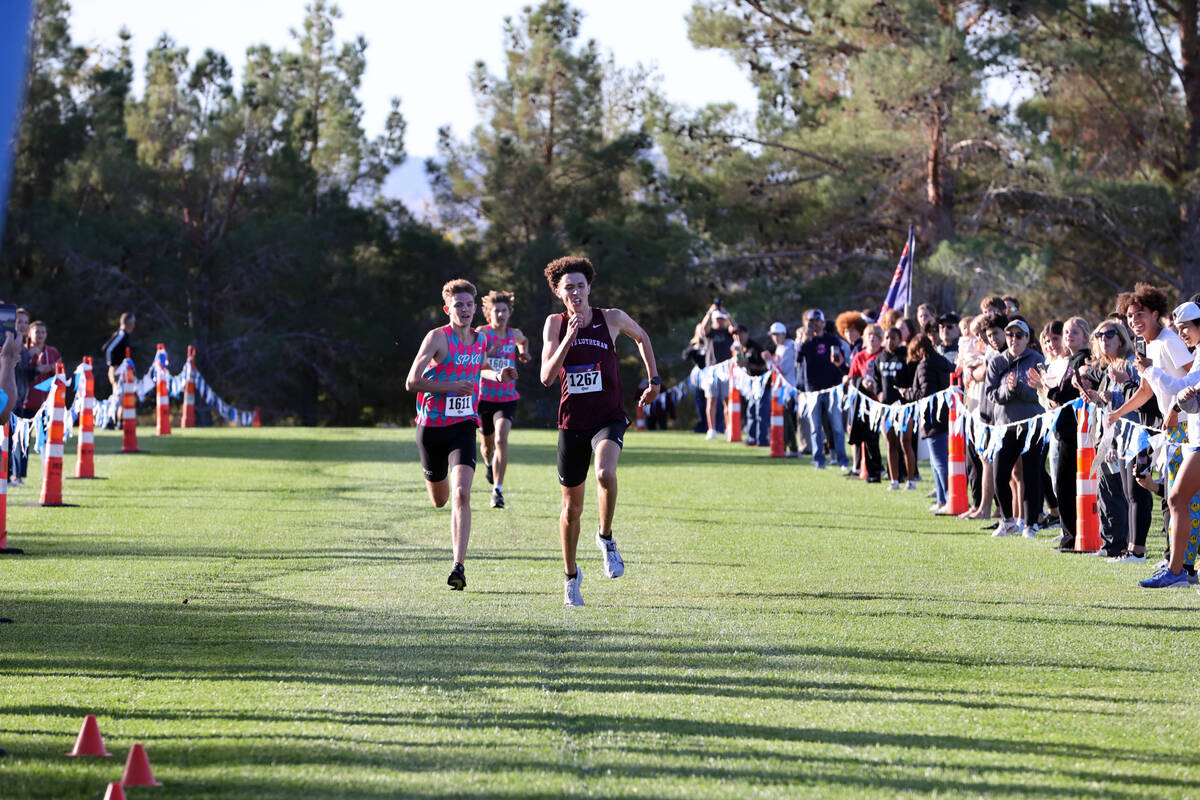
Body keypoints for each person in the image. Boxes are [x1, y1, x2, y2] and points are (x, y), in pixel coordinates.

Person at [539, 256, 659, 607]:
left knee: (606, 472)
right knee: (571, 509)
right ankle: (571, 576)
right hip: (572, 423)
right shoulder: (554, 324)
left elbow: (642, 337)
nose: (575, 291)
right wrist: (569, 336)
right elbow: (546, 377)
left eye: (580, 285)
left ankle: (606, 537)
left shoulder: (612, 318)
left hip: (608, 417)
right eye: (568, 287)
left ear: (589, 287)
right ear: (559, 293)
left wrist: (654, 381)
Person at [405, 279, 513, 591]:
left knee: (463, 493)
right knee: (440, 500)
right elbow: (412, 382)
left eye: (469, 305)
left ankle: (459, 566)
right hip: (431, 429)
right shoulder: (436, 338)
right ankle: (436, 486)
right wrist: (452, 387)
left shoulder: (480, 340)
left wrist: (496, 373)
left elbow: (475, 370)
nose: (464, 310)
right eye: (458, 305)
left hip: (464, 424)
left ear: (476, 307)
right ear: (447, 309)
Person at [1132, 302, 1200, 587]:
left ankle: (1178, 571)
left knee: (1177, 499)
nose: (1181, 333)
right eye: (1179, 327)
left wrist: (1149, 370)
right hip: (1195, 439)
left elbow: (1178, 385)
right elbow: (1185, 389)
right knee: (1176, 498)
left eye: (1186, 327)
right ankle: (1178, 571)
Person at [1077, 319, 1141, 559]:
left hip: (1123, 438)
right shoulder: (1109, 367)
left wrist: (1114, 442)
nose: (1104, 339)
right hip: (1106, 437)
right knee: (1105, 492)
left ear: (1121, 338)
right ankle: (1109, 545)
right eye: (1099, 335)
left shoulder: (1129, 365)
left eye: (1109, 334)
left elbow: (1134, 401)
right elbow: (1110, 402)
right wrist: (1096, 397)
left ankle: (1122, 546)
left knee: (1120, 495)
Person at [1029, 316, 1089, 550]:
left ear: (1085, 335)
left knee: (1066, 485)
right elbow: (1059, 396)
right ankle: (1070, 534)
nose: (1068, 337)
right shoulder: (1072, 360)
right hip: (1064, 429)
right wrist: (1047, 390)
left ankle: (1073, 536)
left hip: (1076, 431)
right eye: (1066, 333)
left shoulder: (1083, 360)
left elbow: (1068, 396)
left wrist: (1048, 391)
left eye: (1074, 333)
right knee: (1063, 485)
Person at [985, 318, 1045, 537]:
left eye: (1019, 335)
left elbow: (1040, 395)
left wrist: (1018, 387)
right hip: (1005, 427)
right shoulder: (997, 362)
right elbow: (991, 394)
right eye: (1010, 335)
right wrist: (1008, 391)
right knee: (1000, 475)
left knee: (1031, 474)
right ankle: (1007, 520)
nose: (1014, 339)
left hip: (1031, 426)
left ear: (1028, 339)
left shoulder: (1037, 360)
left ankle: (1030, 524)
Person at [475, 290, 531, 510]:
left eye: (504, 311)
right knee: (487, 446)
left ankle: (497, 490)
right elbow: (474, 357)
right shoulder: (481, 333)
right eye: (496, 310)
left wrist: (523, 353)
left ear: (509, 313)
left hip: (506, 398)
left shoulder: (514, 333)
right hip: (484, 397)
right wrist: (489, 351)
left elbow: (524, 341)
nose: (500, 314)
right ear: (489, 312)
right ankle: (489, 464)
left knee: (501, 439)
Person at [901, 333, 954, 511]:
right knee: (937, 461)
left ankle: (947, 498)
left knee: (939, 462)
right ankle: (941, 499)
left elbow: (925, 393)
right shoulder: (943, 362)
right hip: (946, 415)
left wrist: (906, 394)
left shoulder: (925, 366)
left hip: (932, 418)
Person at [796, 309, 850, 470]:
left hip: (832, 388)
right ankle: (819, 460)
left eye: (818, 321)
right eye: (811, 321)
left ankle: (842, 460)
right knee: (815, 428)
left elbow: (839, 360)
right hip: (812, 389)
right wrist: (804, 339)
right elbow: (797, 359)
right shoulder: (804, 342)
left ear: (823, 323)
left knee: (837, 427)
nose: (815, 324)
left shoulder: (831, 340)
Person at [874, 326, 916, 490]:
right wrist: (878, 392)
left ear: (900, 339)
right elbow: (876, 378)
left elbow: (913, 378)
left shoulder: (905, 355)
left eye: (893, 338)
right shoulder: (880, 357)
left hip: (904, 406)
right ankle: (894, 480)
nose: (890, 341)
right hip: (887, 407)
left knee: (905, 442)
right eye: (887, 338)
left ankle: (910, 480)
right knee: (890, 443)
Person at [846, 323, 885, 481]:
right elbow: (852, 378)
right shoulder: (859, 356)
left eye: (875, 336)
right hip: (866, 403)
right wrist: (862, 382)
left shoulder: (884, 354)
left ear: (881, 339)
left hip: (883, 401)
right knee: (870, 438)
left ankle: (899, 472)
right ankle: (874, 471)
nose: (872, 338)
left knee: (891, 439)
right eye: (869, 335)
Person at [696, 303, 734, 439]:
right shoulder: (710, 333)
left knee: (727, 401)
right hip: (711, 370)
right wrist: (709, 312)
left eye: (721, 319)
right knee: (711, 400)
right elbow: (702, 328)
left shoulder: (727, 332)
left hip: (726, 369)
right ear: (713, 320)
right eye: (717, 319)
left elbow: (735, 329)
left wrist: (727, 314)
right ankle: (711, 430)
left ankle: (729, 428)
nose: (719, 321)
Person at [766, 321, 798, 456]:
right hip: (781, 389)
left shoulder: (788, 348)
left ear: (784, 335)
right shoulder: (781, 347)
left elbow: (781, 370)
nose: (776, 338)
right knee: (784, 418)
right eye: (773, 335)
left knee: (786, 418)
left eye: (778, 335)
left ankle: (792, 447)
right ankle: (786, 445)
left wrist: (768, 360)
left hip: (788, 389)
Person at [103, 312, 136, 394]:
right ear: (128, 323)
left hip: (123, 371)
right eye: (132, 323)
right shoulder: (121, 335)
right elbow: (107, 349)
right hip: (117, 370)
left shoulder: (125, 336)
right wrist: (113, 365)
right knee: (119, 397)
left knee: (125, 399)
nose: (133, 325)